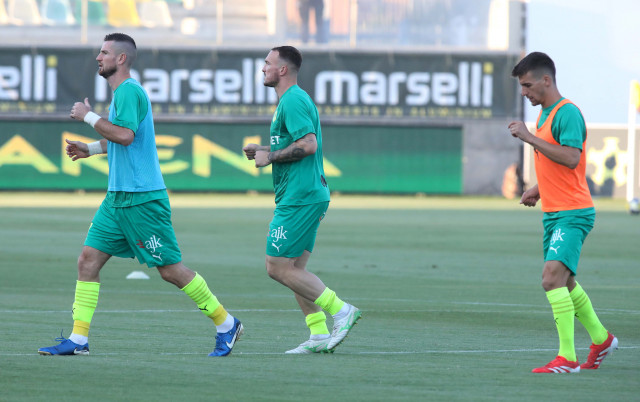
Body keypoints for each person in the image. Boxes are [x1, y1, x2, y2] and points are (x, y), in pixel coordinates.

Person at [38, 33, 243, 357]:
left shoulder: (129, 91)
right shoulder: (121, 94)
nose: (98, 57)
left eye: (104, 52)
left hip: (142, 199)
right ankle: (78, 340)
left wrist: (88, 116)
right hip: (117, 199)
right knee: (88, 260)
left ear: (121, 59)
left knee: (170, 270)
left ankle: (226, 323)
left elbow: (125, 135)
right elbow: (120, 137)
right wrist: (90, 148)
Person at [243, 46, 361, 354]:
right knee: (295, 269)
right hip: (305, 194)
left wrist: (269, 157)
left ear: (282, 69)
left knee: (277, 267)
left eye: (267, 63)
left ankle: (341, 310)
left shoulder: (293, 100)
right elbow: (294, 143)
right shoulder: (291, 100)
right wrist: (265, 149)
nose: (263, 68)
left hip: (300, 196)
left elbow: (308, 145)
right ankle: (318, 333)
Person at [509, 52, 617, 373]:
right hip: (555, 212)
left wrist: (528, 137)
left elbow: (571, 158)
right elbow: (558, 164)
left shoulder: (566, 112)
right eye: (521, 86)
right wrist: (538, 188)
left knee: (551, 278)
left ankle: (567, 358)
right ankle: (601, 339)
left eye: (528, 85)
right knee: (565, 283)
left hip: (573, 212)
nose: (524, 92)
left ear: (546, 80)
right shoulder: (545, 114)